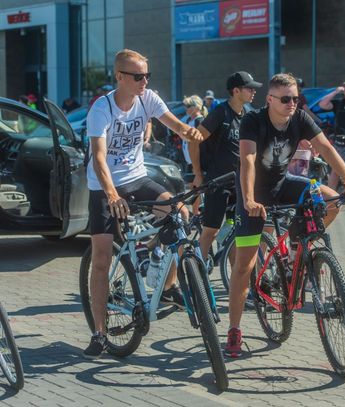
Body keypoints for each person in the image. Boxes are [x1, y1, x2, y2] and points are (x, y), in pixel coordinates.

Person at [225, 73, 345, 358]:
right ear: (270, 99)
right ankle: (234, 329)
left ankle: (295, 252)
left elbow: (326, 148)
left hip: (282, 184)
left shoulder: (299, 118)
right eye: (285, 99)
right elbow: (248, 160)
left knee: (330, 200)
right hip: (253, 194)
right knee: (243, 266)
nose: (292, 104)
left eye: (295, 99)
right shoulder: (253, 121)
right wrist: (248, 200)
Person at [83, 49, 202, 359]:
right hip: (104, 186)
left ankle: (167, 284)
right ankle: (99, 333)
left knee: (179, 214)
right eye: (138, 76)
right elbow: (98, 158)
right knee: (101, 257)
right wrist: (111, 195)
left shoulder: (148, 98)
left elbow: (177, 126)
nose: (144, 81)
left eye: (147, 75)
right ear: (120, 77)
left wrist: (191, 132)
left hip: (137, 178)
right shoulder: (102, 108)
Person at [189, 71, 261, 264]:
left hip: (239, 183)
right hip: (218, 182)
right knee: (211, 230)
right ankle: (197, 271)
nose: (253, 91)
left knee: (236, 232)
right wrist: (197, 173)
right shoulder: (221, 113)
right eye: (249, 88)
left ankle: (234, 276)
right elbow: (193, 141)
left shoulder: (247, 114)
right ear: (236, 91)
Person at [181, 95, 208, 168]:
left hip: (198, 163)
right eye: (185, 106)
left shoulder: (200, 121)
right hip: (189, 162)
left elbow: (202, 144)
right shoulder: (188, 120)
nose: (186, 108)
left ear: (196, 107)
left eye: (188, 106)